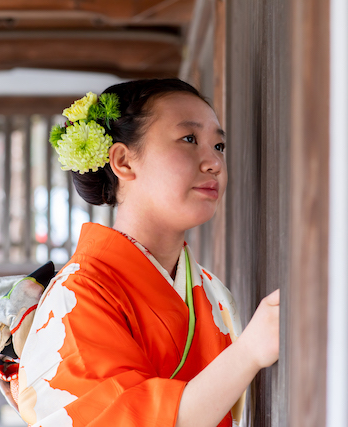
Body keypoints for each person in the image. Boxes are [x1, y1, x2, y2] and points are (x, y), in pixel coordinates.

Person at [16, 79, 280, 427]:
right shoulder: (76, 296)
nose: (214, 162)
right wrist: (248, 353)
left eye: (219, 144)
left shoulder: (211, 290)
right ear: (123, 161)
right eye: (189, 139)